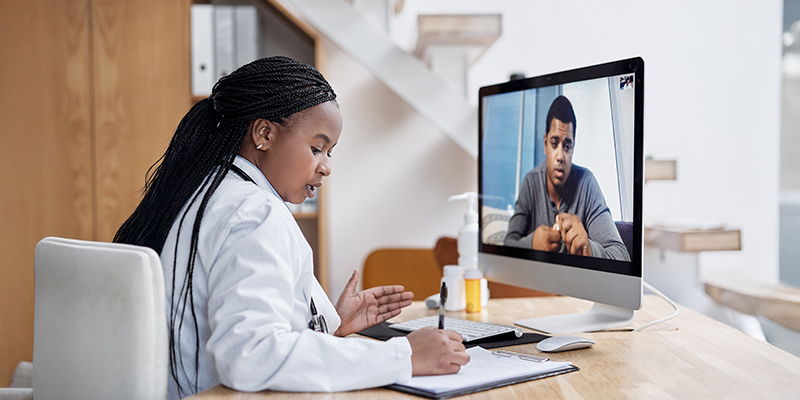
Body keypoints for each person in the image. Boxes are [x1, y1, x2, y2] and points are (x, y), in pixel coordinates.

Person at [114, 56, 469, 399]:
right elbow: (250, 355)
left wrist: (331, 324)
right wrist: (404, 355)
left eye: (329, 152)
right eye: (316, 148)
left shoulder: (208, 192)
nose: (326, 166)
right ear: (264, 134)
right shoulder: (255, 214)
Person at [504, 95, 629, 261]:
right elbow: (507, 245)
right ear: (545, 144)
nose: (560, 156)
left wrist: (589, 249)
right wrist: (532, 244)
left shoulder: (587, 184)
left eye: (567, 146)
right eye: (554, 143)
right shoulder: (531, 182)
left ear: (573, 148)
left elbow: (622, 255)